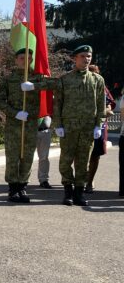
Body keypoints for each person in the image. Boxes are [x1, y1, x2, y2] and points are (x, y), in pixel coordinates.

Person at [0, 48, 56, 203]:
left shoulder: (37, 77)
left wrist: (34, 86)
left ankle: (22, 186)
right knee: (13, 157)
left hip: (30, 125)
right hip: (14, 124)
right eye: (22, 58)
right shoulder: (8, 79)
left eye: (28, 58)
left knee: (27, 156)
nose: (25, 60)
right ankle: (12, 188)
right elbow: (0, 100)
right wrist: (14, 113)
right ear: (16, 60)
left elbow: (55, 83)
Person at [53, 45, 106, 206]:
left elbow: (101, 104)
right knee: (65, 161)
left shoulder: (97, 80)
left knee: (83, 162)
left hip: (87, 128)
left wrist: (99, 125)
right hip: (68, 127)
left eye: (89, 56)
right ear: (75, 58)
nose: (86, 59)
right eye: (83, 56)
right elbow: (58, 104)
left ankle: (79, 193)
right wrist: (58, 125)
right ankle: (67, 192)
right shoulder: (65, 79)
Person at [84, 64, 116, 193]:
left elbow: (110, 105)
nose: (94, 75)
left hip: (99, 126)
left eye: (96, 73)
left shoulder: (103, 87)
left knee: (95, 155)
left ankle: (90, 182)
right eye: (91, 73)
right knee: (79, 154)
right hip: (82, 125)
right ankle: (81, 178)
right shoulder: (80, 86)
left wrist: (106, 110)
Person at [35, 115, 54, 188]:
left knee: (44, 157)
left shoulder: (47, 104)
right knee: (27, 157)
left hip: (46, 131)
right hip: (30, 131)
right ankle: (23, 180)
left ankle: (43, 180)